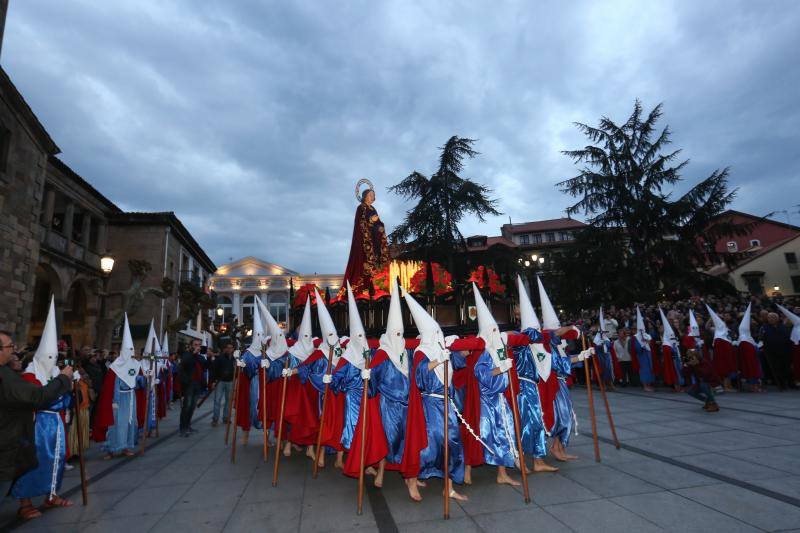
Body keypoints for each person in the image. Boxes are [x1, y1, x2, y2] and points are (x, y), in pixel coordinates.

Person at [10, 298, 76, 519]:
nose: (52, 360)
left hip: (56, 424)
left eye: (54, 357)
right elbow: (39, 399)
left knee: (56, 461)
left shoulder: (58, 375)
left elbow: (64, 400)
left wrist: (68, 388)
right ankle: (25, 502)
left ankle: (52, 494)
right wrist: (60, 390)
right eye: (49, 356)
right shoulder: (29, 376)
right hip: (36, 426)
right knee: (32, 462)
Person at [401, 291, 468, 503]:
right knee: (428, 445)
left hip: (447, 403)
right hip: (430, 406)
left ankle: (448, 487)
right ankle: (412, 480)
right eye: (436, 333)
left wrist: (461, 352)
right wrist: (439, 359)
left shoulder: (441, 348)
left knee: (452, 443)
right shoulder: (422, 352)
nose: (439, 336)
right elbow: (420, 374)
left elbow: (455, 362)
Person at [93, 314, 142, 458]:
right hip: (119, 399)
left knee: (130, 422)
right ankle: (112, 448)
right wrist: (114, 401)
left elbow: (137, 382)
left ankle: (127, 446)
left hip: (130, 398)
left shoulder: (135, 365)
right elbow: (112, 384)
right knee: (115, 424)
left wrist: (146, 377)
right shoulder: (116, 367)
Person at [341, 185, 391, 298]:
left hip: (375, 240)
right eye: (370, 195)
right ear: (365, 197)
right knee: (365, 263)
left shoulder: (374, 209)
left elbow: (378, 223)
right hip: (365, 241)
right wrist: (370, 220)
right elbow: (360, 224)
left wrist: (380, 226)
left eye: (373, 195)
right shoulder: (361, 208)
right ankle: (364, 288)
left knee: (376, 261)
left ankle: (377, 285)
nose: (373, 196)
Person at [179, 337, 207, 436]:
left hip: (197, 384)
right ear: (191, 346)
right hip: (189, 384)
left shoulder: (199, 357)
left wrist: (211, 358)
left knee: (192, 407)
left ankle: (188, 425)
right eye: (195, 345)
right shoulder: (186, 355)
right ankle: (183, 428)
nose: (198, 347)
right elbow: (184, 364)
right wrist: (193, 354)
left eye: (199, 345)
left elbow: (206, 366)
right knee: (186, 406)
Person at [759, 312, 794, 391]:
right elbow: (761, 339)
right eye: (769, 317)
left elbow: (788, 338)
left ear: (777, 319)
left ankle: (790, 383)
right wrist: (762, 348)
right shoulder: (764, 327)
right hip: (771, 352)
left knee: (786, 367)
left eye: (773, 317)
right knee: (776, 369)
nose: (771, 319)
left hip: (784, 351)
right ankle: (781, 385)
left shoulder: (784, 327)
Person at [210, 341, 235, 426]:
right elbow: (214, 370)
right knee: (217, 400)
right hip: (220, 381)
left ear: (233, 349)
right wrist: (213, 381)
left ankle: (226, 418)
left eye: (231, 348)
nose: (229, 349)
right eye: (228, 348)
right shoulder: (220, 358)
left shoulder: (235, 359)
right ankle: (215, 419)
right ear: (225, 349)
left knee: (229, 401)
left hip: (230, 382)